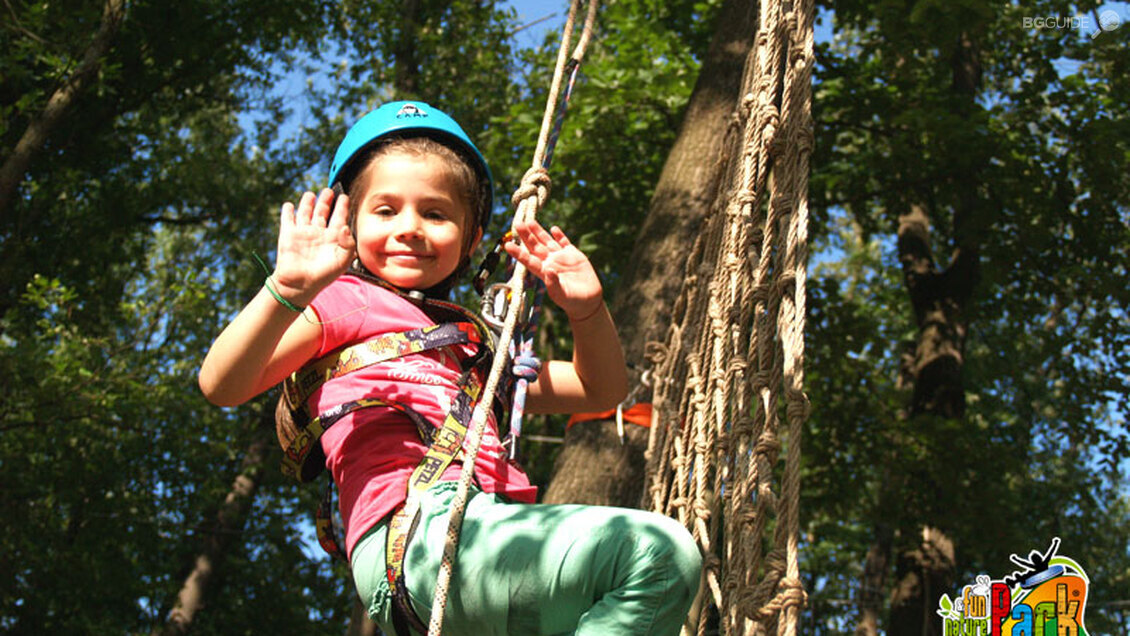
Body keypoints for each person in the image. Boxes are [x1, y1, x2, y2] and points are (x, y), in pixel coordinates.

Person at [198, 101, 701, 636]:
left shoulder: (477, 349)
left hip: (482, 544)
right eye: (385, 211)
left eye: (435, 213)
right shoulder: (347, 301)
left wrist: (586, 311)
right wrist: (288, 291)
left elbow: (600, 388)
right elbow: (223, 384)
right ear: (350, 222)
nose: (410, 228)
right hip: (419, 535)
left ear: (473, 238)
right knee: (655, 556)